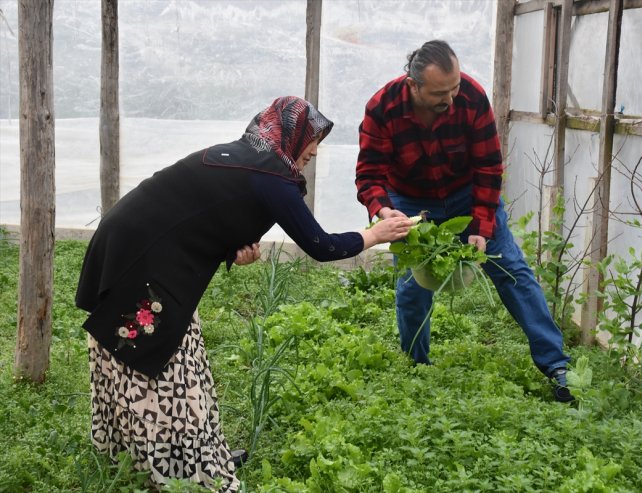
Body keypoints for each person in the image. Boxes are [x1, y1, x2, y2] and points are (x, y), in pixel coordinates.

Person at [75, 96, 414, 492]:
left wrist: (236, 248)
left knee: (173, 355)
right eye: (312, 138)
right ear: (291, 134)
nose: (315, 150)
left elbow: (204, 211)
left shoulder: (246, 157)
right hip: (144, 263)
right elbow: (321, 246)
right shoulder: (270, 176)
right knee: (162, 368)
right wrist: (375, 235)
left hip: (130, 245)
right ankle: (183, 474)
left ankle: (188, 458)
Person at [355, 40, 574, 402]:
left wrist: (481, 226)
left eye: (455, 87)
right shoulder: (382, 108)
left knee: (513, 273)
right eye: (441, 92)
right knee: (413, 286)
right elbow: (370, 174)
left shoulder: (472, 97)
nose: (452, 99)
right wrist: (383, 210)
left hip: (466, 196)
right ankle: (416, 366)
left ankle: (557, 367)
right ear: (413, 85)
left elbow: (489, 167)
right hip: (412, 201)